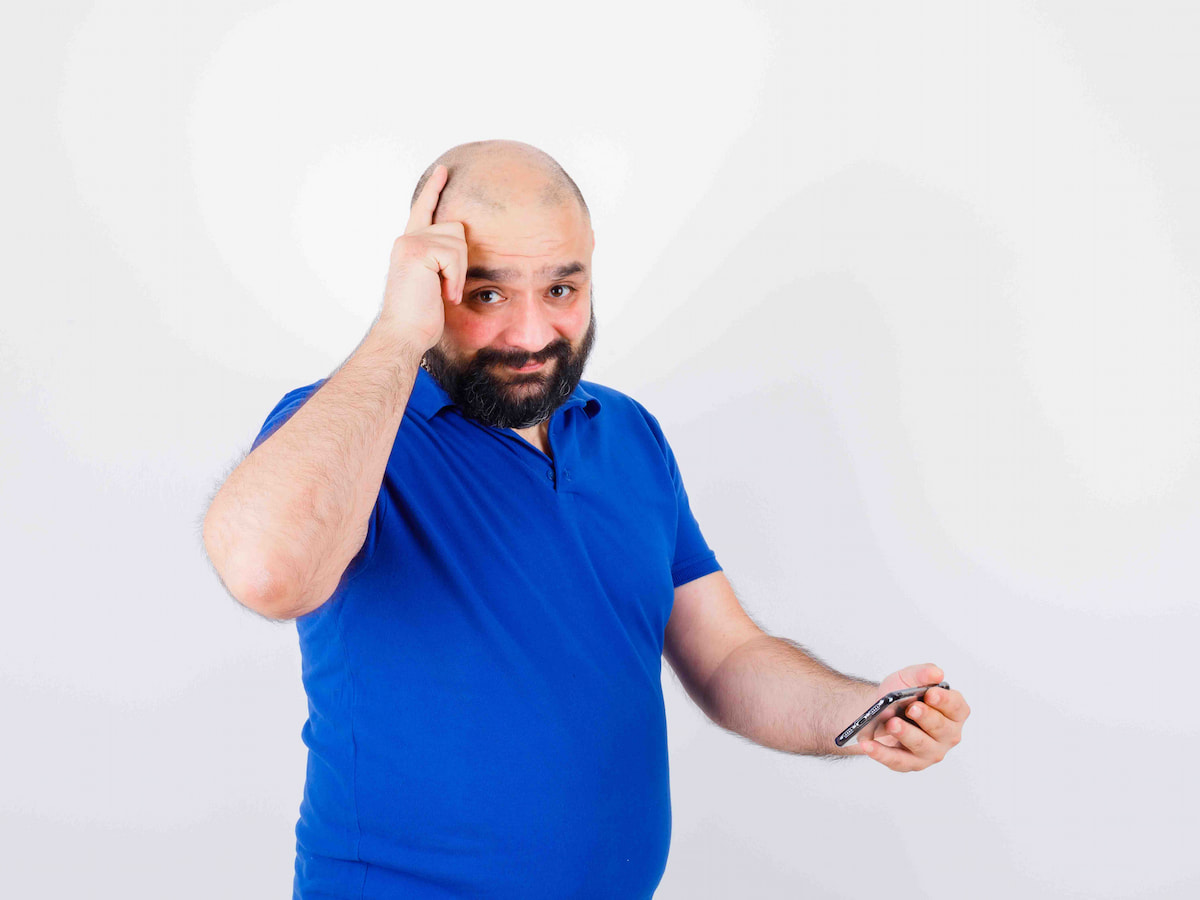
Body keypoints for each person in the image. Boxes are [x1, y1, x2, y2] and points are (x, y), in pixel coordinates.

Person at [202, 139, 971, 899]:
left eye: (561, 290)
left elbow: (728, 657)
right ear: (424, 281)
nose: (532, 335)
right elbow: (269, 573)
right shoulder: (348, 430)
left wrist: (858, 714)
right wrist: (397, 333)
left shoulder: (628, 434)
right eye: (486, 294)